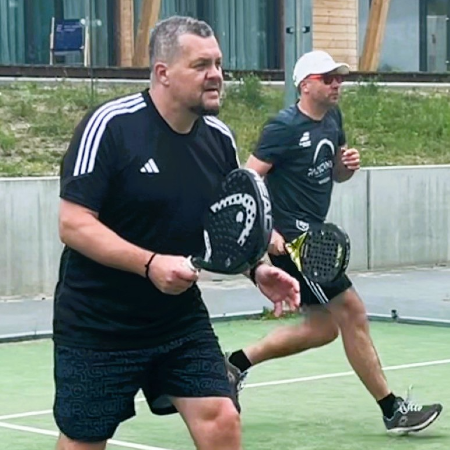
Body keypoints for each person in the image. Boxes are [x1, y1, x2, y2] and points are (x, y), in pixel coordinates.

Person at [52, 15, 300, 450]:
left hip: (177, 319)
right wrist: (149, 264)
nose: (216, 75)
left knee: (221, 416)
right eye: (201, 65)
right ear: (163, 72)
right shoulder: (110, 125)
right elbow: (73, 224)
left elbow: (225, 222)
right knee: (83, 441)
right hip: (98, 321)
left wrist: (256, 269)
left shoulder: (219, 139)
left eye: (218, 63)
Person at [225, 50, 443, 434]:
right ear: (305, 85)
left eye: (339, 77)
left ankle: (234, 364)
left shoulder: (332, 120)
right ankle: (392, 409)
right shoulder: (282, 127)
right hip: (293, 245)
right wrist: (267, 232)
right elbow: (246, 181)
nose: (336, 84)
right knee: (352, 310)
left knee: (323, 328)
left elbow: (335, 174)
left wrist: (346, 168)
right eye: (327, 78)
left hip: (316, 239)